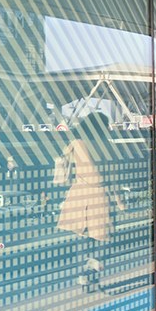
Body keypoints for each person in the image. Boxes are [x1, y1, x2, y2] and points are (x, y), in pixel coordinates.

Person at [53, 112, 122, 293]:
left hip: (80, 193)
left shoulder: (76, 143)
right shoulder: (106, 146)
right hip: (99, 194)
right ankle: (95, 269)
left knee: (81, 237)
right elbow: (113, 177)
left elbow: (61, 160)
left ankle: (83, 276)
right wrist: (119, 201)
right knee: (102, 236)